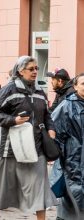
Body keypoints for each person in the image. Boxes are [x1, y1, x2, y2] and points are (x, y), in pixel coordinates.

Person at [0, 56, 57, 220]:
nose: (35, 72)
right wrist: (13, 120)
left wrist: (51, 129)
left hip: (37, 147)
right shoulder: (9, 90)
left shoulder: (40, 92)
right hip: (11, 147)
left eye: (36, 69)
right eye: (31, 69)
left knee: (40, 187)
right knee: (2, 185)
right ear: (20, 70)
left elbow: (47, 116)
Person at [51, 73, 84, 220]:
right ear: (75, 86)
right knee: (73, 191)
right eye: (83, 83)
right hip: (72, 157)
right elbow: (55, 132)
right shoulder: (67, 105)